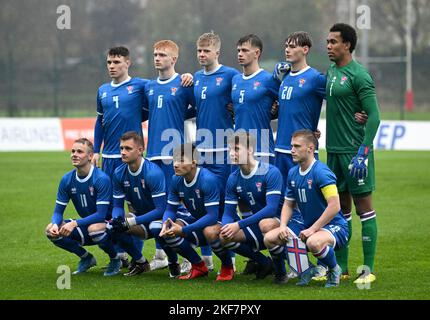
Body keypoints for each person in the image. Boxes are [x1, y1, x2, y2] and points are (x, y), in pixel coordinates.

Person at [325, 23, 380, 284]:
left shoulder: (359, 75)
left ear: (347, 44)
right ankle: (342, 267)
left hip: (355, 154)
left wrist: (363, 152)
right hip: (334, 152)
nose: (329, 46)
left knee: (364, 209)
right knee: (340, 210)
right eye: (327, 42)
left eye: (333, 42)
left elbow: (375, 117)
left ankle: (367, 270)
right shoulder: (331, 71)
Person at [264, 130, 349, 287]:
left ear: (310, 149)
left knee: (314, 242)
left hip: (334, 225)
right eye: (291, 146)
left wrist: (313, 229)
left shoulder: (321, 172)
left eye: (297, 146)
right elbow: (289, 203)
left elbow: (335, 205)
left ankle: (334, 269)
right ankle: (306, 270)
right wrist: (282, 226)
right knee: (270, 238)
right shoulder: (293, 172)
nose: (292, 150)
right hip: (307, 225)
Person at [144, 39, 197, 271]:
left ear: (173, 59)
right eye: (155, 54)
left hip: (175, 155)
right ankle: (161, 255)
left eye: (162, 55)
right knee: (157, 204)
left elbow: (199, 107)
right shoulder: (149, 87)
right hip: (152, 153)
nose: (157, 58)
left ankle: (191, 256)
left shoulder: (184, 83)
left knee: (181, 205)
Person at [190, 31, 240, 273]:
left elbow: (243, 100)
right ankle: (207, 256)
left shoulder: (230, 75)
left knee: (221, 207)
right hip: (202, 152)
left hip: (223, 150)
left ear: (217, 53)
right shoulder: (196, 77)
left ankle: (229, 260)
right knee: (202, 204)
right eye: (199, 51)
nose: (202, 54)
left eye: (206, 51)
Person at [108, 131, 181, 277]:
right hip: (140, 218)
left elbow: (160, 210)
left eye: (128, 148)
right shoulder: (118, 173)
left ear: (140, 150)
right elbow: (117, 205)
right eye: (121, 148)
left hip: (163, 217)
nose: (123, 152)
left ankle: (173, 262)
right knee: (111, 227)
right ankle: (141, 262)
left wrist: (132, 221)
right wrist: (117, 219)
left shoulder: (152, 173)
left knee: (157, 227)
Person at [45, 138, 121, 276]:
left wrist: (74, 223)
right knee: (50, 230)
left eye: (79, 151)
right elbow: (57, 212)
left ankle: (115, 259)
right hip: (87, 225)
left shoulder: (101, 179)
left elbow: (101, 215)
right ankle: (87, 258)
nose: (74, 154)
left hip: (110, 226)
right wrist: (56, 224)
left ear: (90, 156)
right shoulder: (67, 179)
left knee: (95, 229)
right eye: (73, 151)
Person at [159, 143, 234, 281]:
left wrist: (184, 229)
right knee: (166, 229)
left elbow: (212, 216)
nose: (175, 164)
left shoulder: (207, 179)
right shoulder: (176, 179)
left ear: (193, 163)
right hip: (199, 220)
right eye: (174, 160)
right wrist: (165, 224)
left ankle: (228, 266)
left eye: (181, 160)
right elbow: (170, 209)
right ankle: (199, 266)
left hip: (221, 221)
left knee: (210, 232)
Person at [220, 132, 284, 280]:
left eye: (236, 149)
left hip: (282, 221)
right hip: (257, 223)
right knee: (224, 237)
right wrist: (226, 226)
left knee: (266, 224)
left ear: (250, 150)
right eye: (229, 149)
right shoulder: (233, 178)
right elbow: (228, 213)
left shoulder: (270, 171)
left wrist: (239, 224)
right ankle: (264, 262)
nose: (231, 153)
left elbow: (271, 209)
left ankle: (282, 270)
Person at [231, 34, 280, 165]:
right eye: (238, 50)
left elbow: (287, 103)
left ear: (257, 53)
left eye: (245, 50)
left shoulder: (268, 80)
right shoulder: (235, 80)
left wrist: (275, 112)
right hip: (238, 150)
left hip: (261, 149)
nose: (240, 54)